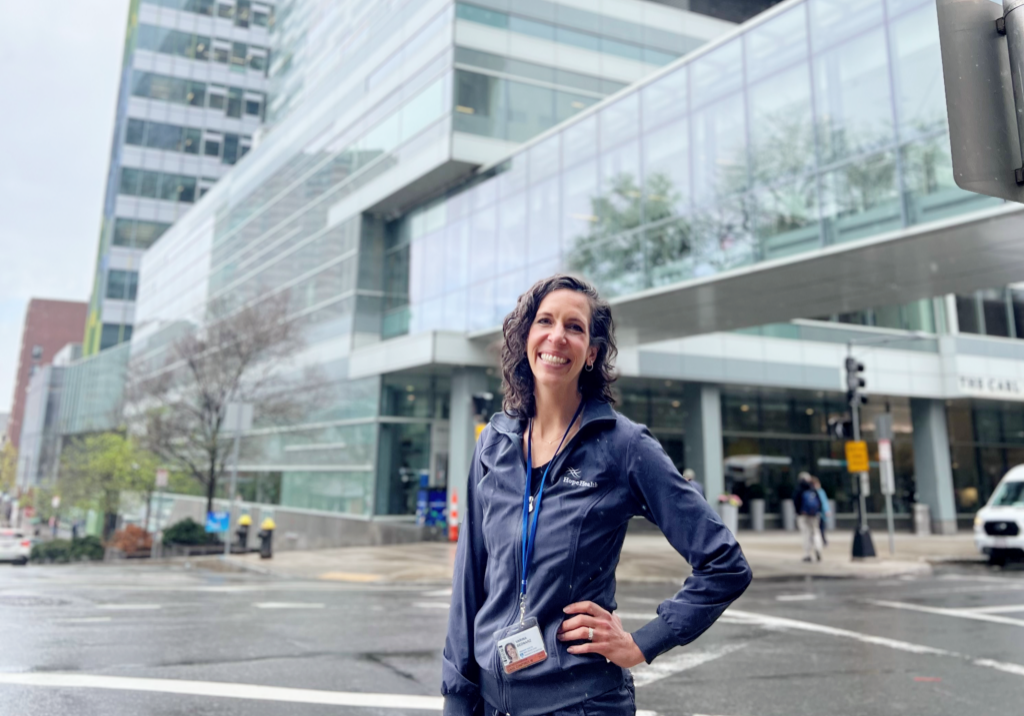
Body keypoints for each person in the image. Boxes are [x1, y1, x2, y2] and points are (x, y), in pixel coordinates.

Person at [442, 275, 752, 716]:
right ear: (526, 337)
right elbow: (469, 582)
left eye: (575, 327)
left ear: (591, 353)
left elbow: (725, 564)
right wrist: (458, 697)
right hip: (494, 704)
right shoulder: (494, 443)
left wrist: (643, 642)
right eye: (545, 321)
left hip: (582, 704)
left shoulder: (623, 446)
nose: (557, 336)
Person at [793, 472, 823, 562]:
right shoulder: (813, 489)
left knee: (806, 534)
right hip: (814, 515)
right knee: (816, 532)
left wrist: (798, 512)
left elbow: (796, 502)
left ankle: (807, 554)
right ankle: (818, 548)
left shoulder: (799, 489)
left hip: (803, 515)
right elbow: (819, 502)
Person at [812, 476, 830, 547]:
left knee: (819, 529)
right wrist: (827, 510)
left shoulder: (816, 492)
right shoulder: (819, 492)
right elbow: (824, 502)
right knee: (820, 529)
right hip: (818, 513)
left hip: (816, 513)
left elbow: (824, 502)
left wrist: (826, 510)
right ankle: (822, 541)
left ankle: (822, 541)